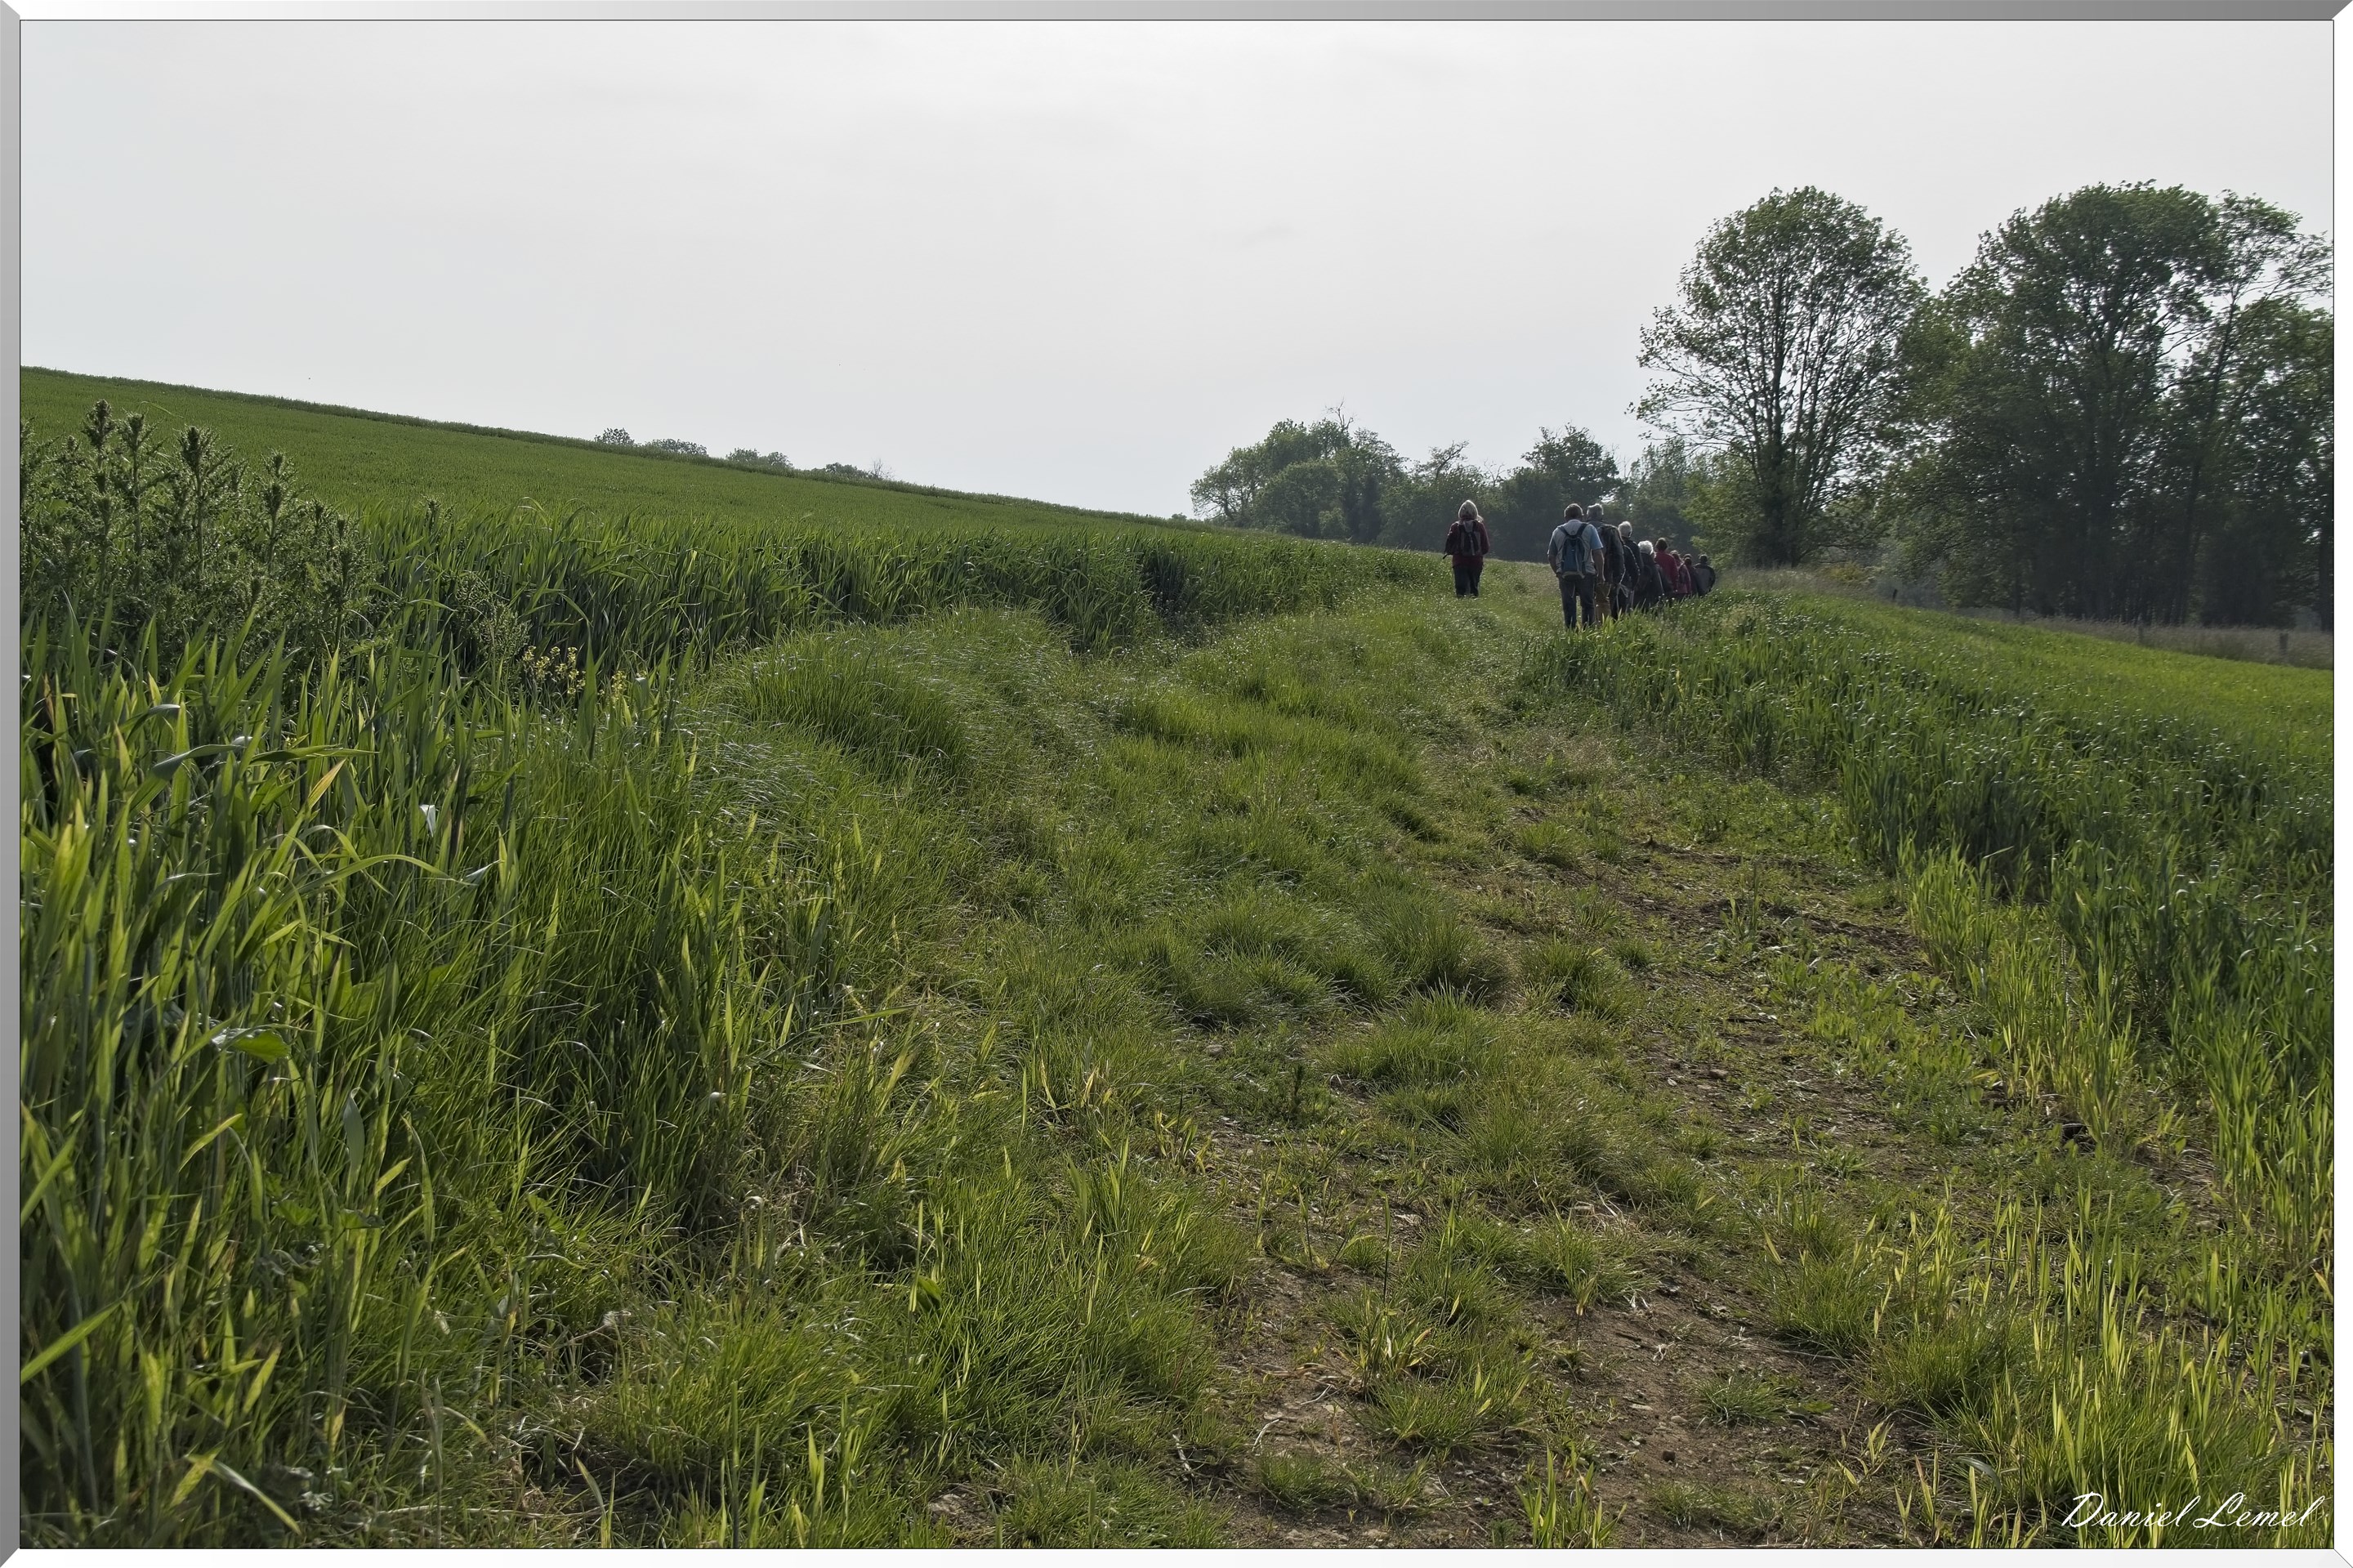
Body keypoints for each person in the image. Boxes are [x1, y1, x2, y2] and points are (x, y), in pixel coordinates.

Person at [1547, 503, 1605, 629]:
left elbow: (1551, 556)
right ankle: (1588, 632)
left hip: (1566, 574)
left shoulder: (1558, 531)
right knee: (1588, 605)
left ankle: (1571, 634)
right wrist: (1600, 574)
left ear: (1565, 517)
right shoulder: (1589, 529)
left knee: (1569, 606)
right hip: (1587, 573)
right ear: (1581, 516)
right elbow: (1597, 553)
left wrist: (1558, 573)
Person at [1443, 500, 1490, 597]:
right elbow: (1486, 547)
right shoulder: (1479, 526)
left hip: (1459, 562)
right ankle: (1473, 609)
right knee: (1473, 590)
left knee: (1461, 591)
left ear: (1461, 512)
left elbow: (1449, 546)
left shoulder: (1455, 526)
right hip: (1476, 562)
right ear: (1475, 512)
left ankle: (1460, 608)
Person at [1595, 515, 1626, 620]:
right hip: (1610, 577)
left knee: (1593, 606)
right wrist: (1617, 580)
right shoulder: (1613, 533)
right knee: (1608, 606)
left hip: (1593, 575)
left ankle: (1592, 628)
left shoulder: (1592, 532)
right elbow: (1620, 561)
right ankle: (1606, 630)